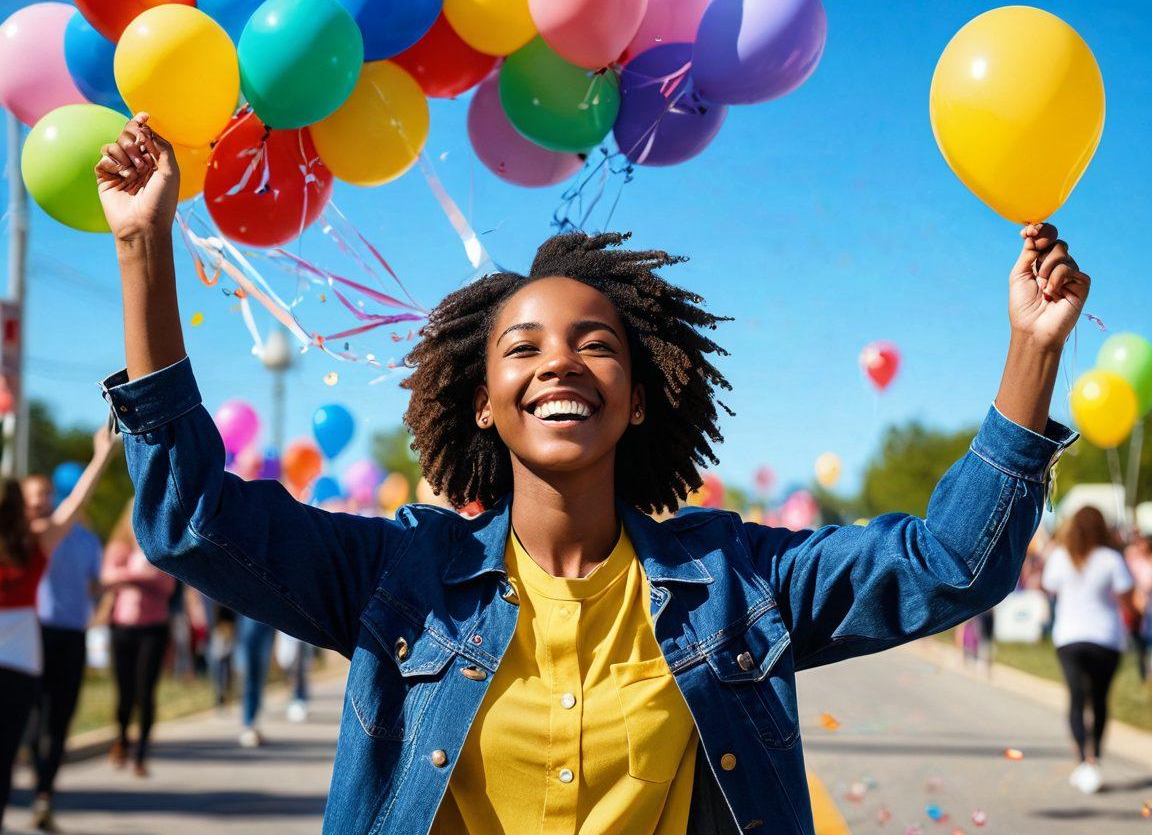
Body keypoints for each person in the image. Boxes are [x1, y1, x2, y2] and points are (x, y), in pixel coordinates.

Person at [92, 113, 1083, 835]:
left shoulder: (742, 584)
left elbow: (953, 562)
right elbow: (189, 521)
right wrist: (144, 249)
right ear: (483, 399)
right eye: (521, 347)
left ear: (641, 394)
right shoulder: (396, 578)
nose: (559, 362)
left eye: (595, 343)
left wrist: (1031, 353)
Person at [0, 429, 117, 833]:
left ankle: (43, 793)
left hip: (41, 651)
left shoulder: (39, 542)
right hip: (21, 663)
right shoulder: (37, 545)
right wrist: (101, 454)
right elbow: (76, 501)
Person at [23, 475, 104, 834]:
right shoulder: (22, 537)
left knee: (59, 721)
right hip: (33, 633)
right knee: (32, 718)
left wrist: (96, 613)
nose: (42, 500)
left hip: (71, 635)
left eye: (46, 494)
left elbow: (94, 586)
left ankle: (45, 794)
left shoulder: (86, 541)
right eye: (34, 495)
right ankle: (40, 783)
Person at [1042, 506, 1136, 794]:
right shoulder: (1111, 558)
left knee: (1076, 698)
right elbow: (1127, 595)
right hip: (1105, 638)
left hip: (1069, 636)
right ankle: (1095, 761)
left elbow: (1048, 586)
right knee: (1099, 700)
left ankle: (1084, 759)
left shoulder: (1060, 556)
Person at [101, 501, 175, 777]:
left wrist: (129, 577)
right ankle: (121, 737)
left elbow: (166, 584)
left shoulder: (160, 546)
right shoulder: (119, 546)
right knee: (124, 692)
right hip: (122, 626)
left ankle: (141, 753)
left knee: (146, 692)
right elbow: (107, 576)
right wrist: (140, 575)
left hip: (153, 628)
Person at [234, 615, 276, 748]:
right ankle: (249, 722)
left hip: (268, 616)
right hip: (247, 616)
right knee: (250, 671)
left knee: (258, 672)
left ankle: (251, 721)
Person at [1123, 530, 1152, 681]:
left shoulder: (1146, 562)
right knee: (1140, 641)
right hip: (1138, 607)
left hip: (1147, 606)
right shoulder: (1133, 561)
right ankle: (1144, 674)